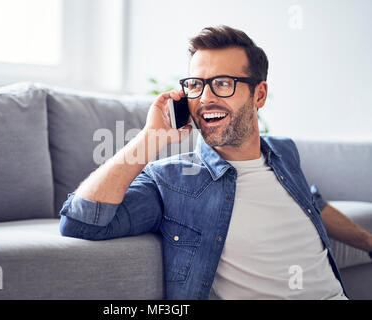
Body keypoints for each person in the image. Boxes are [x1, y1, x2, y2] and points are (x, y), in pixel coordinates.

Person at [59, 25, 372, 299]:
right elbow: (82, 222)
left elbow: (312, 202)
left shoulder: (284, 153)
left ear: (259, 95)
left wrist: (369, 242)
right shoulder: (173, 180)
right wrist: (150, 138)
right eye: (196, 84)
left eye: (223, 83)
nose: (205, 98)